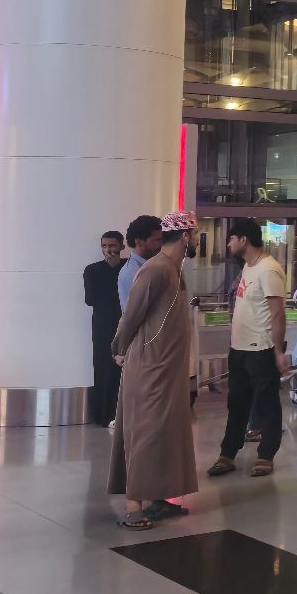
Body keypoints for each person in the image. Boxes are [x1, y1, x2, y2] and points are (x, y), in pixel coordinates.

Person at [108, 211, 198, 530]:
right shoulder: (156, 269)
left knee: (166, 433)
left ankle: (159, 496)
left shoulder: (174, 270)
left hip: (168, 369)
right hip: (149, 367)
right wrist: (119, 348)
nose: (198, 239)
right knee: (145, 433)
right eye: (195, 234)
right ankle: (134, 506)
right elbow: (131, 316)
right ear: (185, 236)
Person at [209, 218, 288, 479]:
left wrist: (278, 351)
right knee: (237, 404)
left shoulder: (269, 269)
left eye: (231, 239)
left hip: (261, 349)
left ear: (244, 239)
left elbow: (278, 313)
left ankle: (266, 455)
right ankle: (228, 453)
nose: (229, 244)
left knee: (267, 405)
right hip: (239, 348)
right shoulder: (248, 267)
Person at [83, 231, 126, 424]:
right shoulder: (92, 270)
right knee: (102, 367)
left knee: (122, 369)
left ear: (121, 246)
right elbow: (90, 299)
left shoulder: (128, 268)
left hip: (124, 323)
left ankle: (121, 414)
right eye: (104, 246)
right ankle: (103, 415)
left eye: (112, 245)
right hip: (102, 326)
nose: (108, 250)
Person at [119, 214, 161, 309]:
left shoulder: (150, 265)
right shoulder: (133, 272)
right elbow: (134, 314)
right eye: (157, 240)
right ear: (139, 242)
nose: (161, 244)